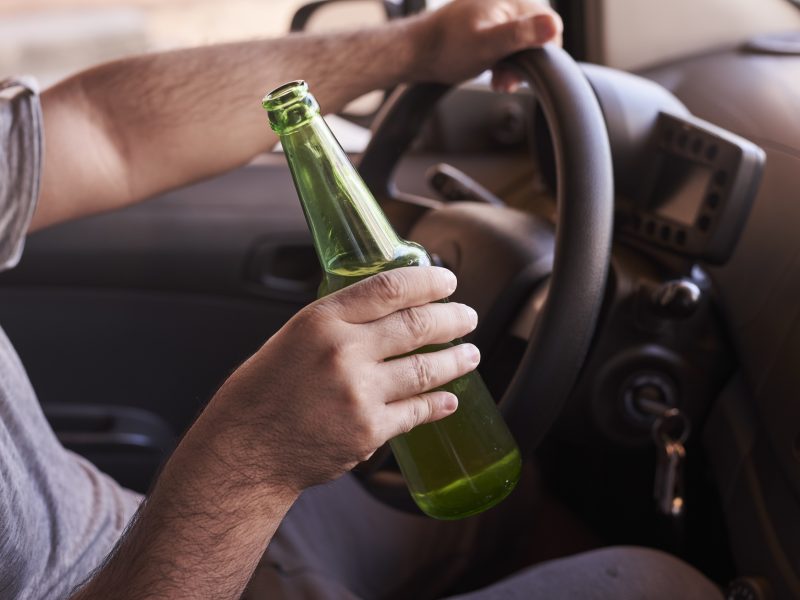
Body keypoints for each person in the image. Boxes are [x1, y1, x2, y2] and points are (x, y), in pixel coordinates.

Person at [0, 1, 724, 598]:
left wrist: (422, 44)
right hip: (166, 569)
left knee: (511, 499)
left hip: (148, 530)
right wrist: (253, 457)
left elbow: (105, 129)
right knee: (663, 585)